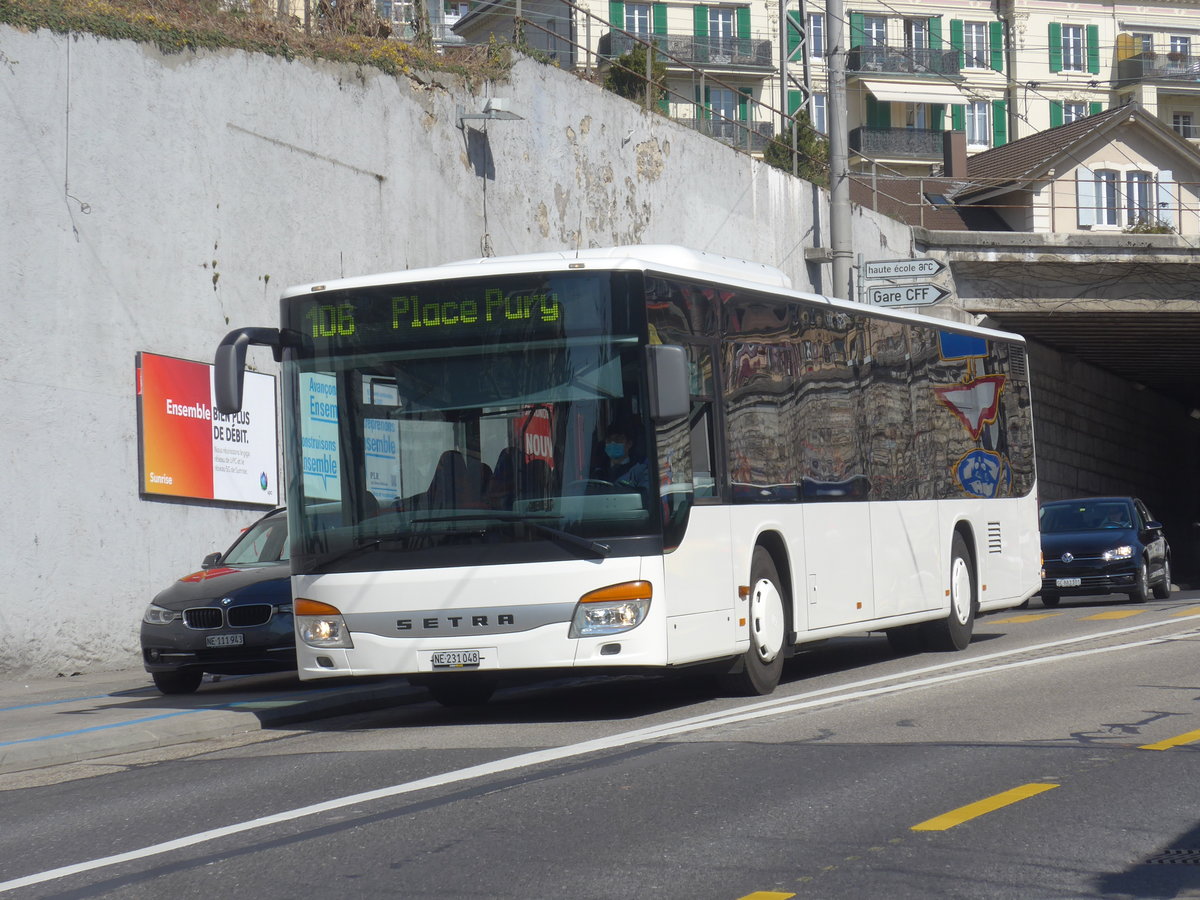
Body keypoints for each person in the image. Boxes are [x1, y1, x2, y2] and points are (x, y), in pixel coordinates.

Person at [594, 425, 649, 491]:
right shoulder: (598, 471)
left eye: (617, 440)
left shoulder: (640, 471)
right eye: (609, 440)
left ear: (629, 444)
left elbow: (644, 496)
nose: (612, 443)